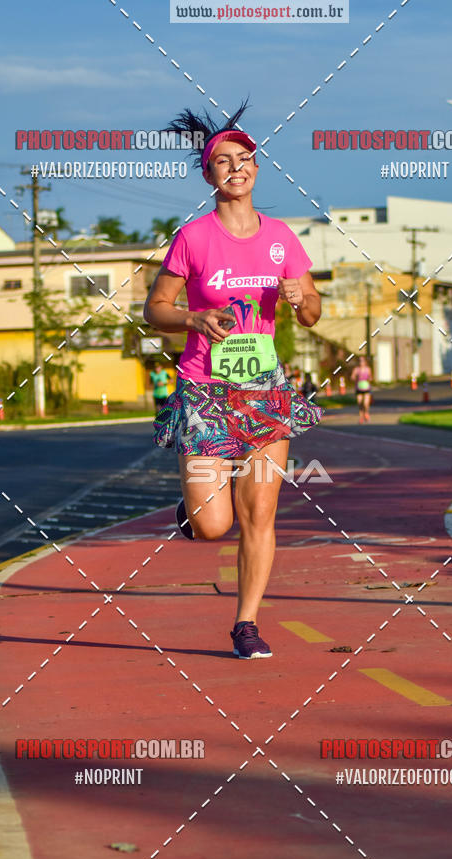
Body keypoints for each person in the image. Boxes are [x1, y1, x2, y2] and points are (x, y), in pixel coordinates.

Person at [143, 101, 322, 660]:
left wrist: (301, 299)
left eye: (244, 158)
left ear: (256, 169)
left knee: (260, 513)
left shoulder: (281, 238)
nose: (236, 167)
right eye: (223, 160)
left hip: (264, 391)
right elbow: (156, 308)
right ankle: (192, 517)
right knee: (215, 524)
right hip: (203, 391)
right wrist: (192, 318)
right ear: (209, 174)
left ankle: (246, 623)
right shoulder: (193, 238)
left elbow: (314, 308)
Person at [350, 356, 373, 422]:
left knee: (366, 403)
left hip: (366, 387)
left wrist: (369, 379)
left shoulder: (368, 369)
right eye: (360, 361)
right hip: (359, 387)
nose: (361, 362)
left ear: (365, 362)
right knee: (360, 403)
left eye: (362, 361)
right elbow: (352, 377)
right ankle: (361, 417)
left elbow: (371, 377)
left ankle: (366, 413)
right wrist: (355, 377)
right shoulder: (356, 369)